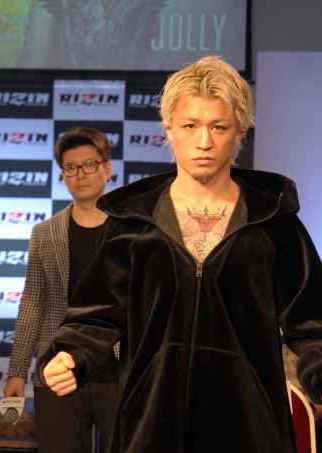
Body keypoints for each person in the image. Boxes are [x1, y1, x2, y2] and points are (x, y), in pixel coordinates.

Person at [38, 55, 322, 453]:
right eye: (190, 126)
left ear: (240, 130)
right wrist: (68, 354)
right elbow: (95, 316)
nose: (204, 142)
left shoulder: (274, 224)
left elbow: (312, 325)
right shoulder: (133, 224)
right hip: (149, 428)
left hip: (250, 431)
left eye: (218, 127)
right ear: (168, 128)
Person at [3, 127, 119, 452]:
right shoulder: (44, 233)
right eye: (71, 167)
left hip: (120, 369)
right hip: (58, 369)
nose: (80, 174)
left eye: (90, 164)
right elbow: (32, 305)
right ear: (63, 174)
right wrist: (17, 372)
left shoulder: (131, 230)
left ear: (107, 168)